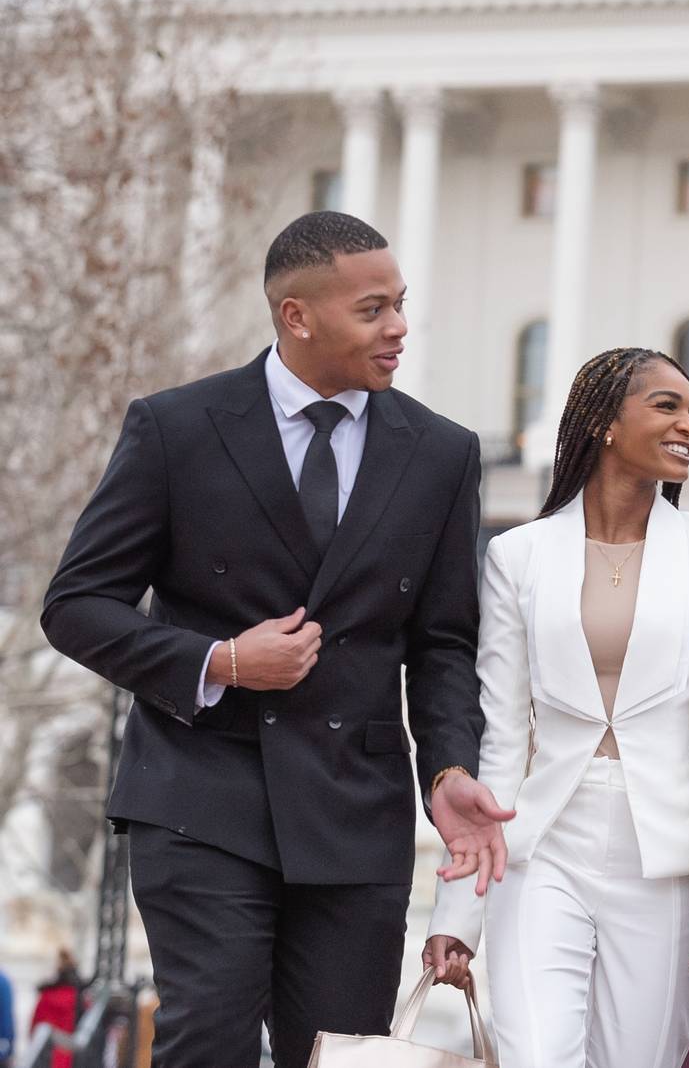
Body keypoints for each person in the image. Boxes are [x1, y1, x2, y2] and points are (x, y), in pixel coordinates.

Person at [40, 212, 511, 1067]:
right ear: (297, 316)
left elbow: (443, 643)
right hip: (200, 796)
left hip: (354, 811)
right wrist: (218, 662)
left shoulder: (442, 452)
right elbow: (76, 603)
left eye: (400, 304)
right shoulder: (176, 428)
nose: (399, 327)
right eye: (373, 310)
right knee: (209, 1038)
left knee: (336, 1054)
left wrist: (446, 769)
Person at [426, 348, 689, 1068]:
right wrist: (458, 912)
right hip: (541, 844)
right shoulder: (518, 555)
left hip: (665, 861)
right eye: (666, 406)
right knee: (537, 1057)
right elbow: (502, 737)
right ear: (606, 423)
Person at [29, 952, 78, 1068]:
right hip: (67, 1049)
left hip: (46, 1051)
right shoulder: (75, 996)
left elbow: (35, 1025)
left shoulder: (47, 995)